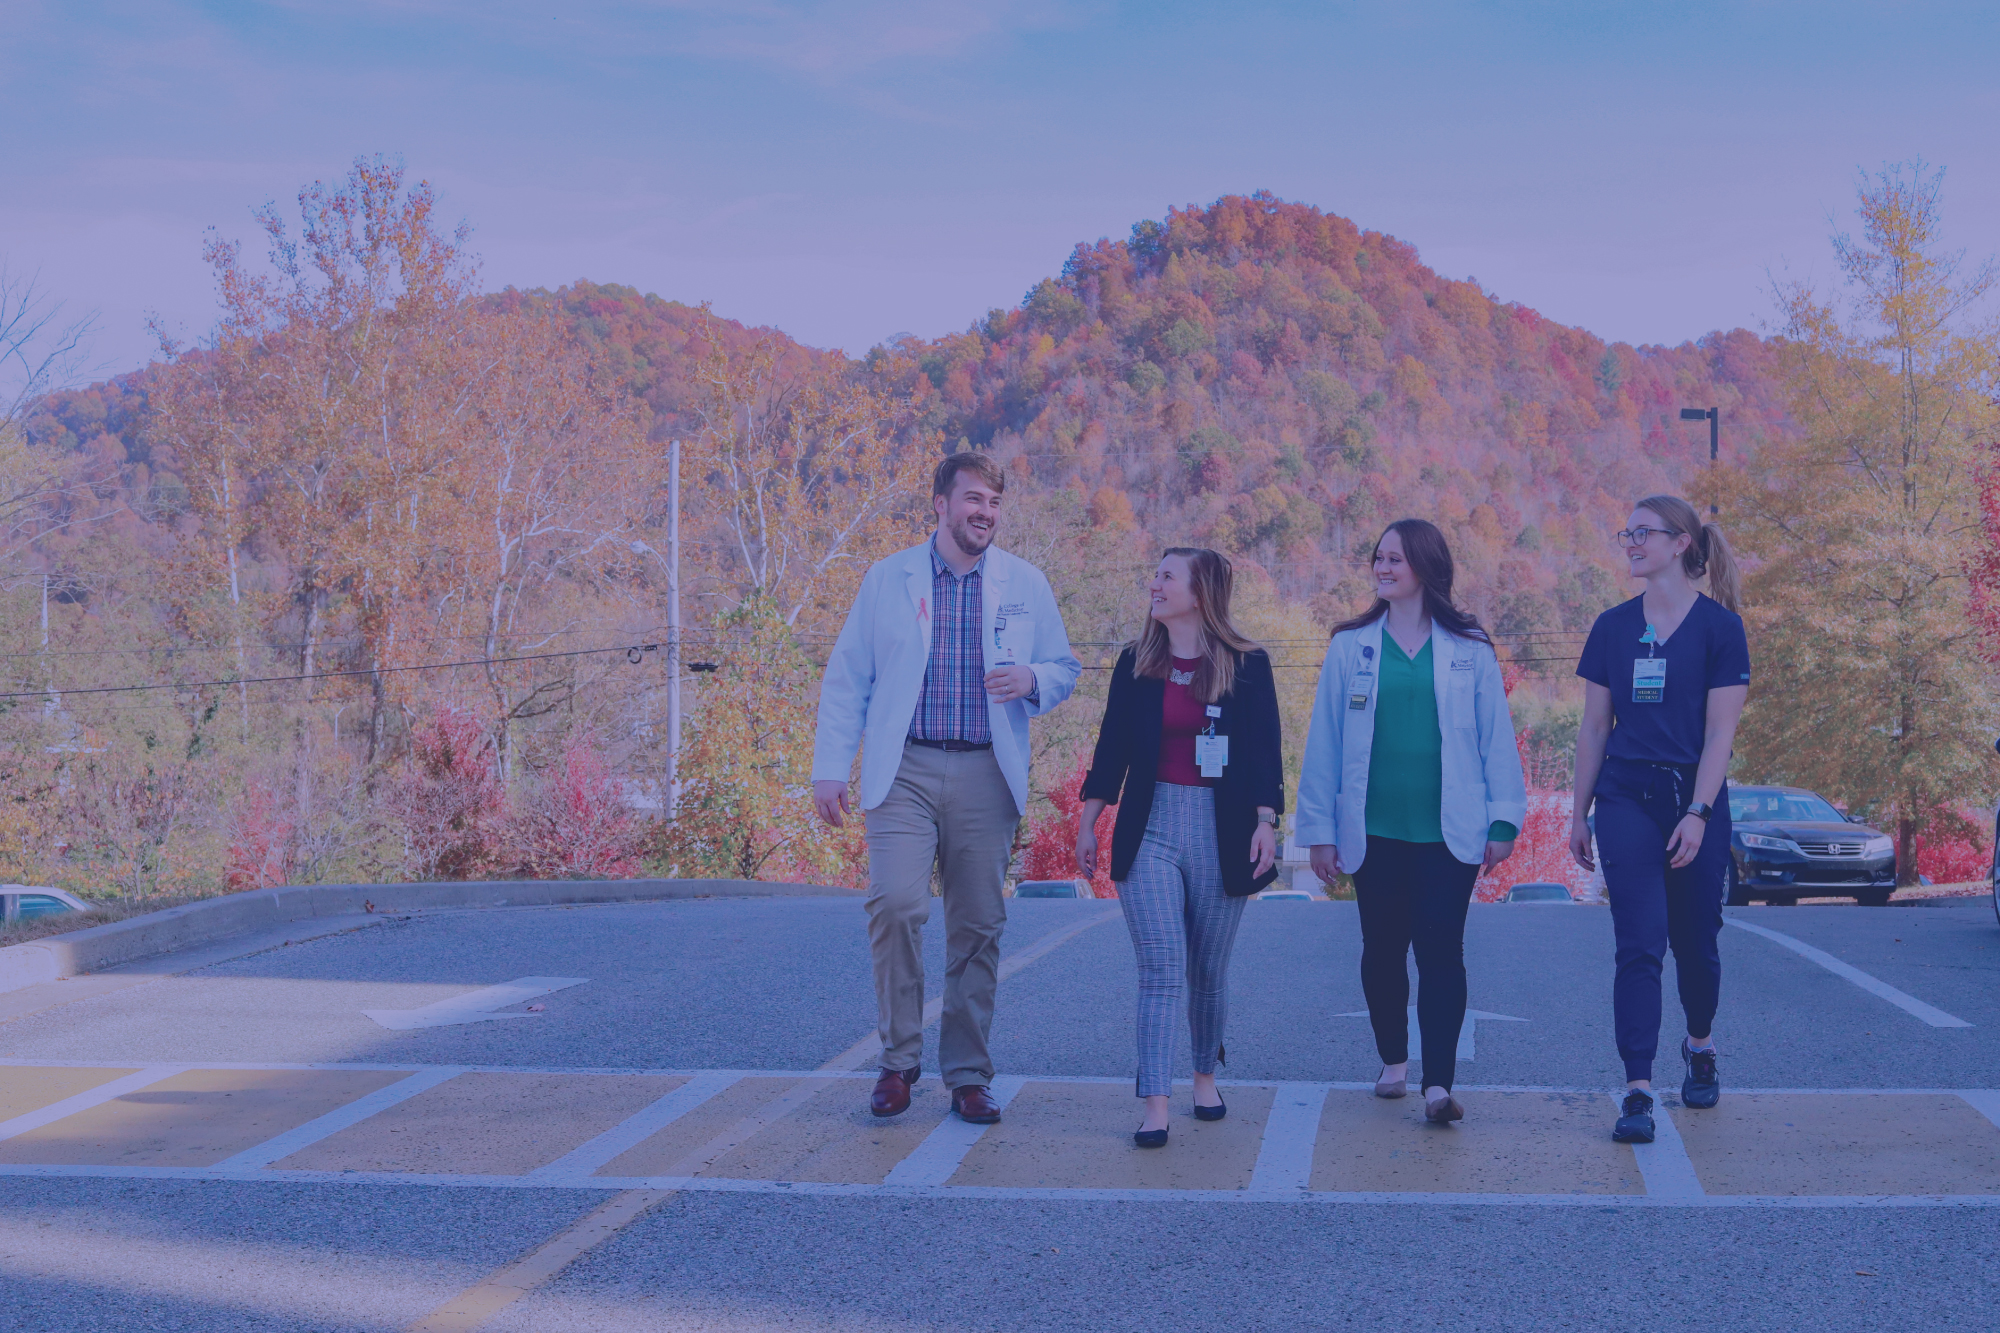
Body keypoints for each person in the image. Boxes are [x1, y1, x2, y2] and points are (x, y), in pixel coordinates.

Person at [812, 452, 1081, 1124]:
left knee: (979, 926)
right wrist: (829, 765)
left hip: (987, 770)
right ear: (939, 502)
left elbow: (1064, 664)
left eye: (993, 501)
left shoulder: (1025, 582)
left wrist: (1035, 682)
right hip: (903, 768)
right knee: (898, 905)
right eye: (972, 499)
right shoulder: (888, 579)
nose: (984, 512)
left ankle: (966, 1074)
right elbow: (849, 677)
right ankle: (898, 1062)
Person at [1296, 519, 1525, 1126]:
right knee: (1382, 951)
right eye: (1378, 558)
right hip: (1372, 830)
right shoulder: (1352, 645)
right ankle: (1393, 1060)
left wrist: (1504, 819)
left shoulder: (1470, 646)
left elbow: (1496, 739)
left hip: (1450, 831)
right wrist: (1318, 829)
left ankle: (1439, 1084)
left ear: (1425, 565)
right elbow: (1326, 741)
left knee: (1442, 952)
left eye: (1395, 558)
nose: (1383, 567)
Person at [1075, 548, 1283, 1148]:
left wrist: (1266, 821)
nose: (1155, 583)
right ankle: (1155, 1103)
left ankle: (1203, 1075)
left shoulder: (1248, 664)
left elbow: (1266, 749)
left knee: (1207, 969)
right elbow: (1111, 748)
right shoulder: (1135, 663)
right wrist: (1090, 821)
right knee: (1161, 966)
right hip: (1152, 827)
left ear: (1202, 591)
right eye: (1156, 572)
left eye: (1168, 575)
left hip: (1223, 828)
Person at [1569, 494, 1747, 1144]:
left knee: (1695, 941)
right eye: (1627, 533)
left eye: (1643, 532)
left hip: (1693, 794)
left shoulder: (1721, 630)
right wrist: (1578, 811)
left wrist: (1699, 812)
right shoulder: (1612, 627)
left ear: (1680, 543)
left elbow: (1720, 735)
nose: (1631, 542)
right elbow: (1594, 727)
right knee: (1638, 942)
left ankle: (1699, 1042)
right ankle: (1638, 1088)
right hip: (1625, 797)